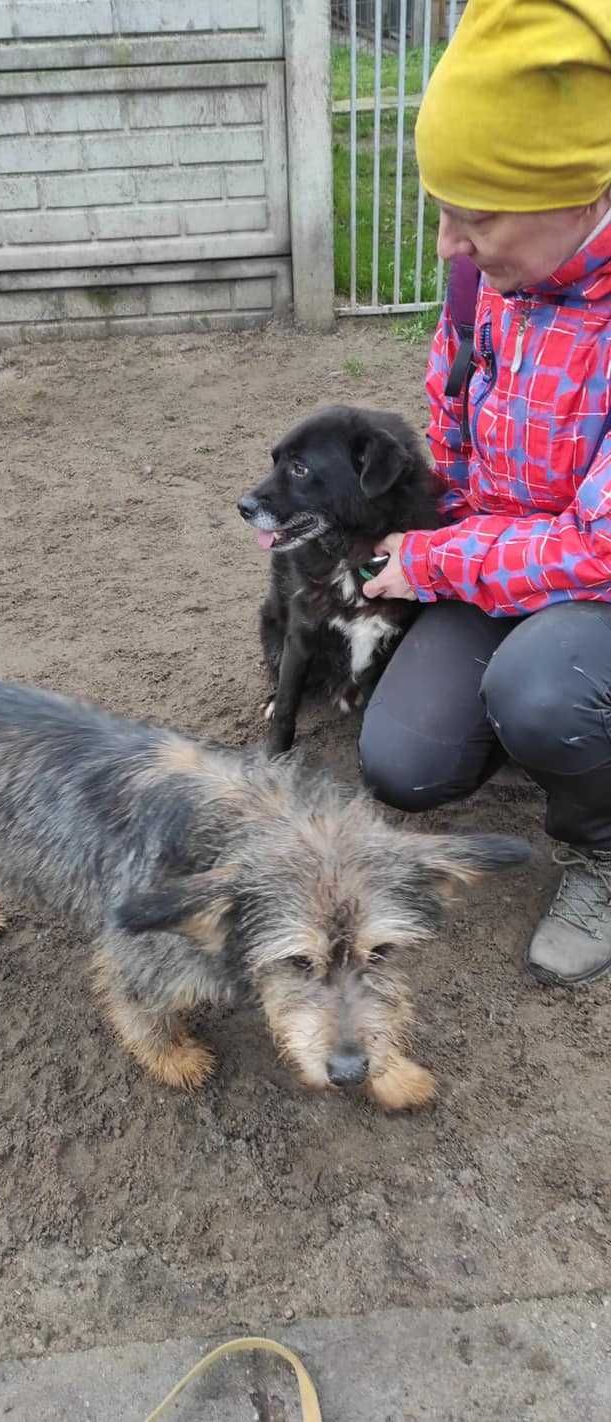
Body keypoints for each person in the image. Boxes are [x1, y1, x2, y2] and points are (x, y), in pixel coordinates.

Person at [358, 0, 611, 986]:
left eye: (477, 211)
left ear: (580, 186)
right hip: (507, 565)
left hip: (592, 587)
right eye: (441, 205)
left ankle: (601, 850)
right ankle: (557, 728)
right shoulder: (481, 289)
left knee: (541, 690)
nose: (445, 247)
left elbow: (598, 551)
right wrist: (405, 539)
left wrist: (429, 561)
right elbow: (453, 447)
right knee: (404, 765)